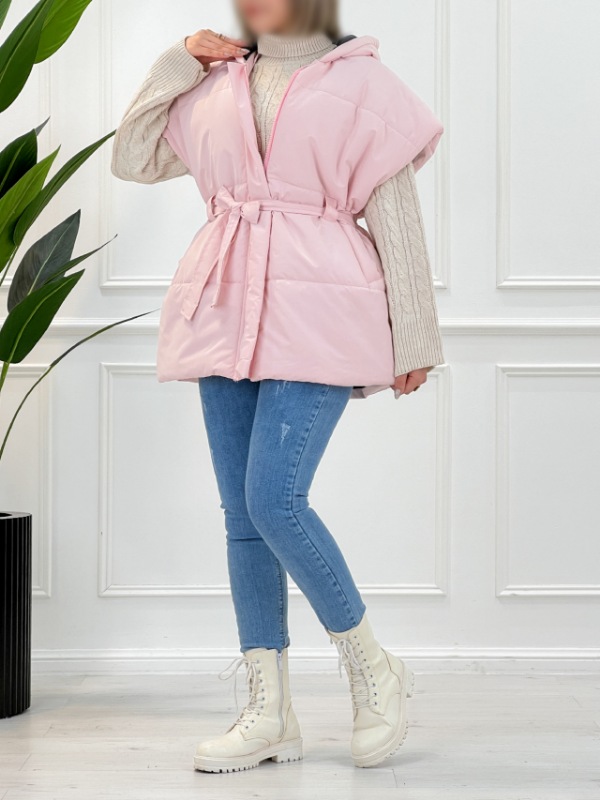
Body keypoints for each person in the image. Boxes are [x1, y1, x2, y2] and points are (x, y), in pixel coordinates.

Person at [111, 0, 444, 774]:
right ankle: (270, 715)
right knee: (243, 516)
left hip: (322, 308)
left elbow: (395, 213)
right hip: (224, 303)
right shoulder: (214, 81)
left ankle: (372, 666)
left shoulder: (364, 83)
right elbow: (133, 157)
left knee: (275, 499)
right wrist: (179, 60)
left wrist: (415, 334)